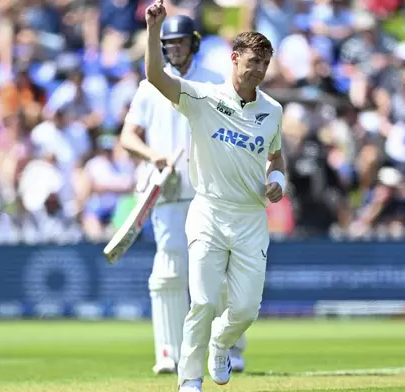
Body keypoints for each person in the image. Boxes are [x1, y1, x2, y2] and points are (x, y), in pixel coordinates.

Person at [143, 1, 285, 391]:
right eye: (252, 61)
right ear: (235, 59)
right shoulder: (202, 97)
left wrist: (279, 182)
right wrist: (154, 30)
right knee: (203, 301)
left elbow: (277, 157)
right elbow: (156, 76)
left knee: (244, 310)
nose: (257, 70)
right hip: (207, 211)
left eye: (264, 64)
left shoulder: (272, 110)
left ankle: (221, 344)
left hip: (251, 218)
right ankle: (190, 379)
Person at [119, 14, 247, 375]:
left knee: (218, 273)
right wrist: (151, 156)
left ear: (193, 42)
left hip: (209, 190)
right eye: (169, 44)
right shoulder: (150, 86)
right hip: (168, 187)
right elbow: (127, 138)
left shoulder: (215, 82)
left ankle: (227, 349)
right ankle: (168, 353)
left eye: (180, 42)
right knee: (169, 271)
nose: (174, 49)